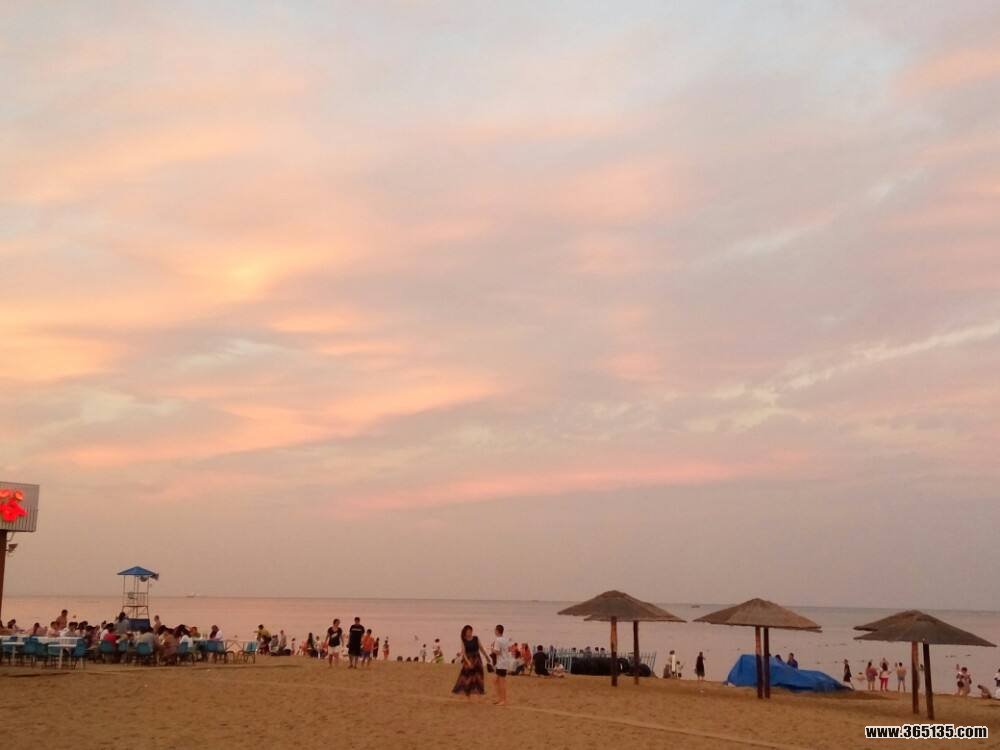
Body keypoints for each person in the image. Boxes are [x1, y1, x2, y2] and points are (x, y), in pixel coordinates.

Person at [452, 625, 489, 700]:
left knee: (478, 677)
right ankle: (467, 696)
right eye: (468, 631)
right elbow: (464, 653)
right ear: (465, 632)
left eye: (470, 631)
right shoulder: (464, 640)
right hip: (468, 660)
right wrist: (468, 662)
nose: (469, 633)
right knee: (467, 678)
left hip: (477, 659)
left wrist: (486, 656)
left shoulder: (476, 638)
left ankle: (479, 694)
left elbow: (481, 648)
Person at [490, 624, 513, 706]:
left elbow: (498, 652)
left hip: (501, 663)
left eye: (495, 630)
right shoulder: (505, 639)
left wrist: (492, 649)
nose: (494, 631)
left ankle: (503, 700)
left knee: (501, 682)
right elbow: (509, 649)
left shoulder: (498, 640)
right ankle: (500, 699)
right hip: (504, 662)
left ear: (497, 631)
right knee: (495, 681)